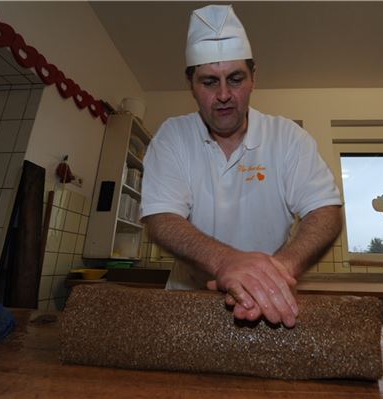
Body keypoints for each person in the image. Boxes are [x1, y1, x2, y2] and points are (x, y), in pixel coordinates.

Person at [140, 4, 342, 328]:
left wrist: (274, 273)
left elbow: (325, 211)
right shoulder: (173, 136)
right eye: (209, 82)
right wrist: (226, 262)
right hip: (187, 302)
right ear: (190, 83)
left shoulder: (288, 137)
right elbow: (162, 219)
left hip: (267, 305)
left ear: (253, 78)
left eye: (235, 79)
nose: (223, 95)